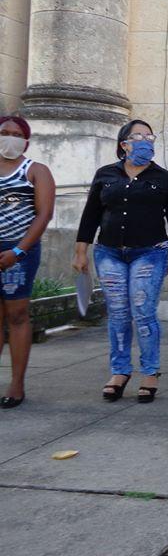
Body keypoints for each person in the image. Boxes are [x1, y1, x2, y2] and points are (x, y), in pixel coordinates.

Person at [74, 120, 168, 404]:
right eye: (138, 136)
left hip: (149, 252)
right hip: (109, 252)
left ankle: (150, 371)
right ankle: (120, 371)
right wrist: (80, 252)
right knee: (119, 312)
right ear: (124, 143)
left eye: (150, 136)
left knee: (142, 309)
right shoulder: (105, 175)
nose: (146, 141)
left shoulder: (164, 178)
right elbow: (90, 216)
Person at [0, 117, 55, 409]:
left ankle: (17, 384)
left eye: (16, 134)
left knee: (17, 314)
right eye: (4, 133)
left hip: (19, 250)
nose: (9, 138)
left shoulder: (36, 171)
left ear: (26, 141)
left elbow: (44, 215)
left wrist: (18, 251)